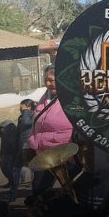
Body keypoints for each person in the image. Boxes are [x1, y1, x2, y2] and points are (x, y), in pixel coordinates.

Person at [29, 65, 74, 195]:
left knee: (72, 191)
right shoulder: (45, 97)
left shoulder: (71, 98)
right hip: (43, 153)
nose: (48, 84)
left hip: (63, 154)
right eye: (46, 80)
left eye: (51, 80)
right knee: (38, 191)